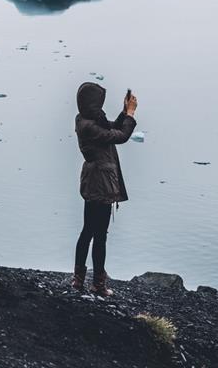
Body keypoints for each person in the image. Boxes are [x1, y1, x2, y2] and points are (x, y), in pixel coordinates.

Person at [71, 82, 138, 296]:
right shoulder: (89, 126)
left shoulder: (85, 119)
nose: (100, 105)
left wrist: (123, 113)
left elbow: (111, 128)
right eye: (99, 101)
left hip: (94, 181)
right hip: (101, 182)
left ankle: (79, 279)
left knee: (88, 231)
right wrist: (130, 114)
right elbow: (119, 136)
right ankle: (98, 284)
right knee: (99, 234)